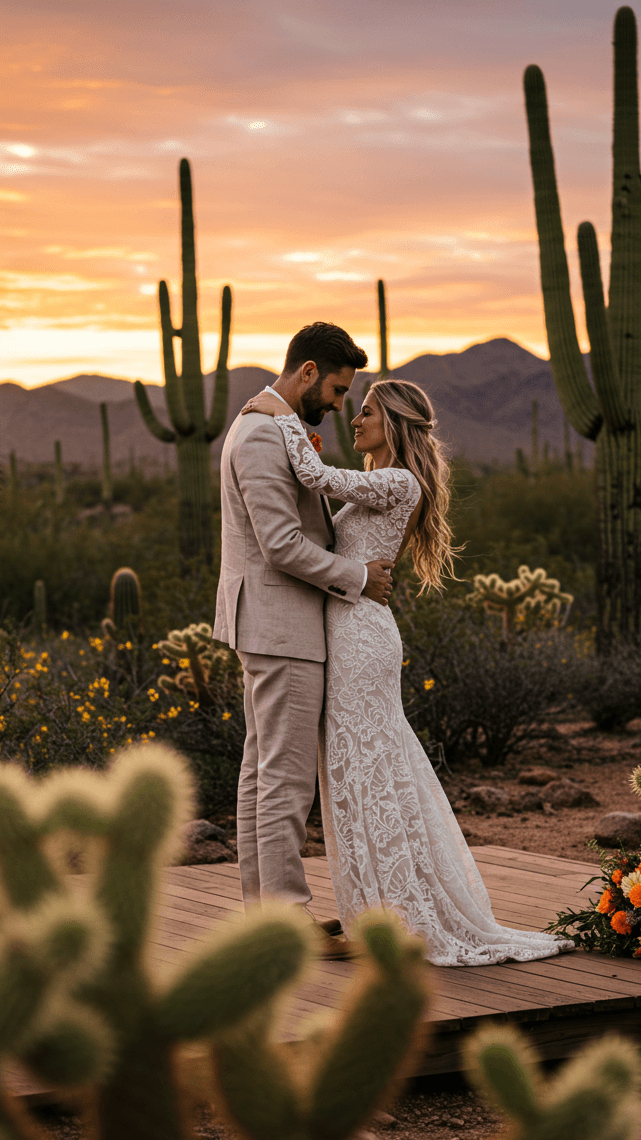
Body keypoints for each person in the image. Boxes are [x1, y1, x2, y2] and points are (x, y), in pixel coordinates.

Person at [240, 378, 573, 967]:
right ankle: (385, 902)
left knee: (369, 763)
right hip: (346, 630)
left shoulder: (397, 481)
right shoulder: (381, 482)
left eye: (365, 412)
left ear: (392, 423)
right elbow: (325, 488)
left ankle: (403, 906)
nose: (355, 420)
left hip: (361, 637)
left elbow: (319, 479)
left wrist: (277, 412)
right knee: (357, 766)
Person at [213, 322, 394, 958]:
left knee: (262, 773)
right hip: (281, 625)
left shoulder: (269, 424)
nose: (342, 404)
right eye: (340, 389)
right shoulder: (263, 433)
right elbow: (282, 545)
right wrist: (360, 579)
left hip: (266, 623)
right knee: (284, 779)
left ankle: (265, 915)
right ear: (309, 372)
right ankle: (285, 920)